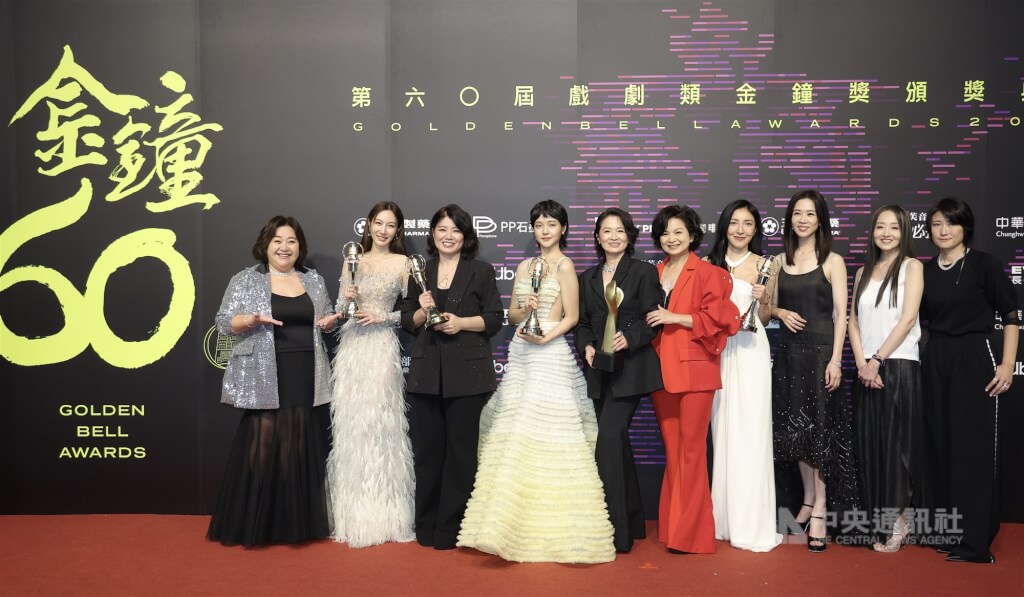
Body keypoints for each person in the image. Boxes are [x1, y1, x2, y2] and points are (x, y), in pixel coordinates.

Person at [458, 200, 615, 564]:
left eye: (551, 224)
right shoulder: (525, 266)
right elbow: (512, 315)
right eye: (539, 225)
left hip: (549, 353)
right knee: (514, 432)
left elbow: (573, 317)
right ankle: (504, 523)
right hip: (522, 353)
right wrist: (525, 308)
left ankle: (550, 526)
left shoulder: (565, 266)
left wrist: (546, 336)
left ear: (563, 229)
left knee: (549, 434)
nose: (545, 231)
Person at [208, 215, 336, 547]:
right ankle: (255, 523)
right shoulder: (246, 279)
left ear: (299, 246)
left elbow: (325, 318)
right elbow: (223, 323)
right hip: (264, 370)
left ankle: (291, 524)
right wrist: (250, 319)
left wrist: (329, 323)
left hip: (306, 369)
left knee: (297, 443)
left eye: (291, 241)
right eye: (277, 240)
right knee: (262, 444)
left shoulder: (313, 280)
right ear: (265, 244)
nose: (284, 247)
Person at [919, 197, 1018, 563]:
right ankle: (948, 533)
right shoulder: (925, 270)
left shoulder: (984, 264)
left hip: (976, 358)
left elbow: (1011, 316)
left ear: (965, 228)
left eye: (951, 223)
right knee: (941, 446)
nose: (943, 230)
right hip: (936, 358)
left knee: (972, 451)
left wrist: (1007, 365)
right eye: (937, 224)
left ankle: (975, 542)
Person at [400, 204, 503, 551]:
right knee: (428, 453)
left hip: (467, 372)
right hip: (427, 371)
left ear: (466, 235)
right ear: (432, 234)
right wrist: (421, 310)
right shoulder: (420, 270)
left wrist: (460, 323)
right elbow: (407, 319)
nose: (448, 236)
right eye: (442, 229)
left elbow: (494, 318)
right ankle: (426, 525)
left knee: (461, 455)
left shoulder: (481, 271)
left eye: (456, 230)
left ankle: (451, 528)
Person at [644, 205, 740, 554]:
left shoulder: (709, 272)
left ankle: (694, 536)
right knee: (673, 453)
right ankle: (673, 528)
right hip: (660, 372)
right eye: (665, 233)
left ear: (692, 235)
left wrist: (677, 317)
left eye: (678, 232)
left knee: (692, 452)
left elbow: (722, 320)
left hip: (696, 371)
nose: (671, 238)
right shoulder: (654, 272)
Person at [769, 189, 859, 553]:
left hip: (821, 355)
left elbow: (841, 314)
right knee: (796, 433)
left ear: (820, 220)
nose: (803, 219)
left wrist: (836, 360)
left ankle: (820, 508)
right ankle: (806, 500)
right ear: (789, 219)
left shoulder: (833, 261)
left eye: (810, 214)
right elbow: (766, 309)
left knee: (820, 432)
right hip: (788, 356)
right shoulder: (779, 261)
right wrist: (780, 312)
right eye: (797, 213)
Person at [321, 201, 415, 548]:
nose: (383, 230)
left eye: (390, 225)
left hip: (381, 347)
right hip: (352, 348)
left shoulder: (403, 263)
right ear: (369, 225)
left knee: (379, 425)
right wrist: (345, 301)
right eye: (378, 223)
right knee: (353, 427)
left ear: (397, 230)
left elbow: (412, 312)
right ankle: (353, 514)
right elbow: (341, 311)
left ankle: (386, 515)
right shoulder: (353, 259)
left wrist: (382, 317)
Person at [575, 207, 663, 554]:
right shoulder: (587, 277)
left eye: (620, 231)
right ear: (598, 237)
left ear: (629, 236)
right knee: (617, 444)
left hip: (632, 369)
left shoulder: (643, 272)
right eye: (607, 231)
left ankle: (614, 531)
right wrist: (586, 346)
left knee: (609, 437)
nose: (613, 236)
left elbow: (652, 317)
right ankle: (633, 521)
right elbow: (583, 323)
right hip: (599, 371)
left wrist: (630, 336)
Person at [704, 200, 783, 552]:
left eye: (747, 223)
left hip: (751, 350)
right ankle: (723, 519)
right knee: (722, 430)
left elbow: (763, 319)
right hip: (716, 352)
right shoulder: (707, 264)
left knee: (751, 431)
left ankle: (750, 521)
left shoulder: (766, 265)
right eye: (734, 222)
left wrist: (764, 300)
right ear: (724, 225)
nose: (740, 229)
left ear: (756, 229)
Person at [848, 205, 924, 553]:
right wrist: (863, 363)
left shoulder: (912, 266)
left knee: (896, 448)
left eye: (894, 227)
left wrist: (877, 360)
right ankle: (878, 522)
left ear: (904, 231)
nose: (887, 233)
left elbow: (908, 319)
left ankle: (899, 523)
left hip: (899, 364)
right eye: (881, 227)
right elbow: (852, 320)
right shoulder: (863, 271)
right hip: (866, 368)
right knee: (871, 446)